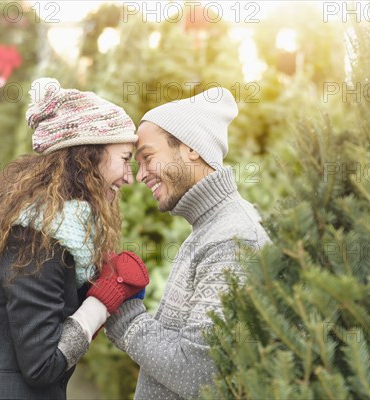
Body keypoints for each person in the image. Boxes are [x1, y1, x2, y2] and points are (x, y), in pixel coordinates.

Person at [0, 78, 149, 400]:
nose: (128, 176)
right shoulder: (36, 238)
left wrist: (94, 293)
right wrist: (100, 302)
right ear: (89, 155)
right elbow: (42, 365)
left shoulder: (51, 230)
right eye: (125, 159)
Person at [104, 87, 271, 399]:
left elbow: (197, 371)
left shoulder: (233, 240)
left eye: (148, 157)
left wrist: (122, 314)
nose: (140, 175)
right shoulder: (208, 229)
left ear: (191, 148)